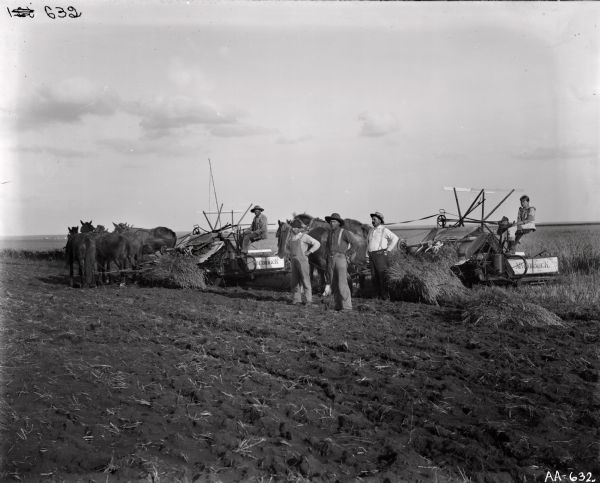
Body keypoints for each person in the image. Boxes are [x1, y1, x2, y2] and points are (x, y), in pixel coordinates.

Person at [324, 212, 357, 311]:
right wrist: (326, 259)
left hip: (340, 258)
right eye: (330, 222)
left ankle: (347, 307)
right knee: (334, 283)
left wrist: (347, 253)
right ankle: (338, 306)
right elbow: (327, 247)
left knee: (342, 283)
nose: (331, 223)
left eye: (333, 221)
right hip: (331, 259)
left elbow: (355, 244)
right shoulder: (330, 233)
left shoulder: (344, 232)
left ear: (338, 223)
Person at [286, 219, 321, 305]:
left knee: (305, 281)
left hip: (303, 262)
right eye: (292, 228)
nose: (293, 229)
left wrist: (310, 251)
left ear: (299, 228)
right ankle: (296, 299)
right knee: (294, 282)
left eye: (295, 228)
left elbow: (317, 243)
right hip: (294, 262)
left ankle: (309, 300)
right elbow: (288, 249)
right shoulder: (291, 238)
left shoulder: (304, 236)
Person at [366, 211, 399, 300]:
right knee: (374, 276)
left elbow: (395, 238)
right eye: (372, 219)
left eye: (374, 219)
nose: (373, 221)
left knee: (382, 276)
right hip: (372, 255)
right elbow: (368, 243)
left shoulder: (384, 230)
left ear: (380, 220)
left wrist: (388, 250)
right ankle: (376, 296)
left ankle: (385, 296)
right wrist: (367, 255)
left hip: (380, 255)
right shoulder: (370, 230)